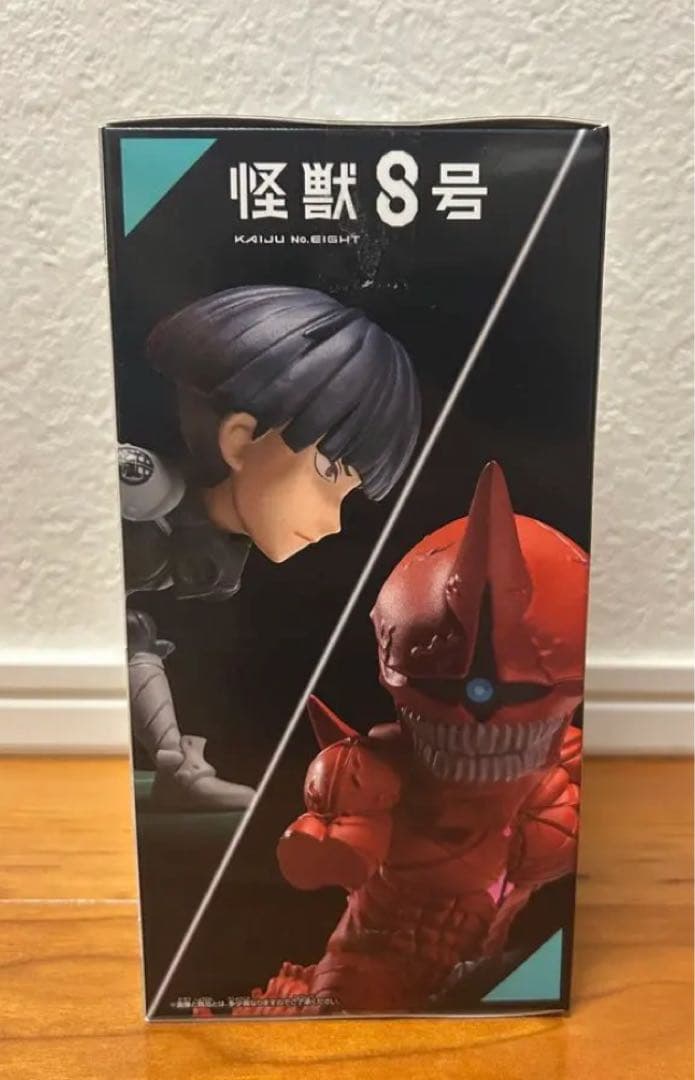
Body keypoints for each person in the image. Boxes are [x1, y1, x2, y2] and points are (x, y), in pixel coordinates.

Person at [119, 284, 421, 811]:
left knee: (133, 636)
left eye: (347, 492)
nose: (332, 523)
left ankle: (175, 765)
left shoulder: (210, 550)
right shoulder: (136, 489)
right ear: (239, 439)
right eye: (329, 472)